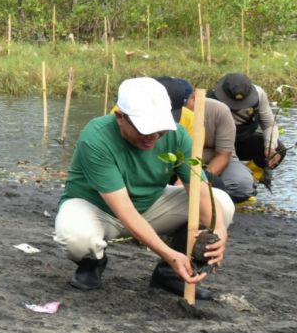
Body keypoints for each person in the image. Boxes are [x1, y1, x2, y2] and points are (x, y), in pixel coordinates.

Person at [54, 77, 233, 299]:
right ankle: (92, 263)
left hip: (150, 205)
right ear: (120, 117)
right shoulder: (96, 137)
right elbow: (124, 209)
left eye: (160, 130)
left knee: (221, 204)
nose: (153, 138)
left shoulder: (178, 136)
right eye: (144, 130)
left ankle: (168, 277)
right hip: (97, 208)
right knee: (75, 237)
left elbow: (201, 192)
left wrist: (219, 231)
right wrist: (169, 253)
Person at [157, 77, 256, 204]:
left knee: (240, 186)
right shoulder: (165, 115)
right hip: (177, 162)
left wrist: (199, 179)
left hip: (212, 160)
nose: (181, 111)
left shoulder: (219, 110)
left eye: (183, 105)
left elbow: (223, 156)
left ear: (194, 98)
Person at [211, 72, 286, 191]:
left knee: (279, 149)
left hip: (242, 140)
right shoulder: (211, 100)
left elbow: (269, 124)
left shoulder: (259, 95)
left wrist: (269, 147)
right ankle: (230, 185)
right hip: (218, 147)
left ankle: (251, 183)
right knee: (232, 176)